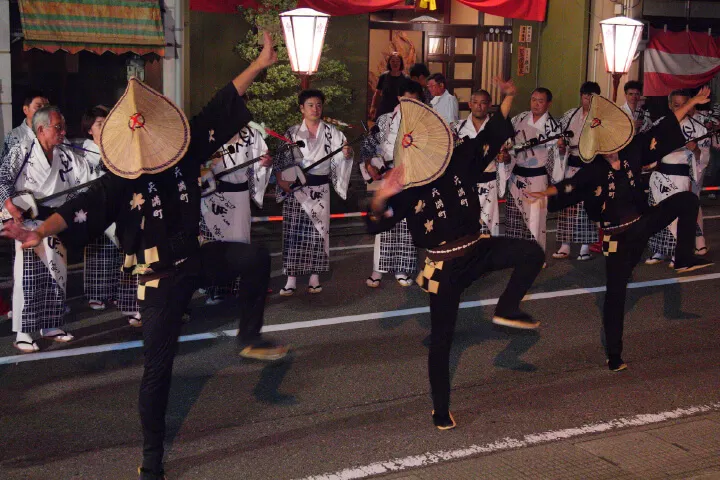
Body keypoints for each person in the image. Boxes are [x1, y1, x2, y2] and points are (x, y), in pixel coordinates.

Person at [1, 32, 288, 479]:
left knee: (256, 260)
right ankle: (152, 457)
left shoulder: (181, 153)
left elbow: (219, 107)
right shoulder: (119, 178)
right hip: (158, 278)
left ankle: (249, 336)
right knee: (158, 370)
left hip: (195, 257)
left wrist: (259, 63)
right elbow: (81, 207)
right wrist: (39, 231)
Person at [366, 79, 545, 431]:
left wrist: (508, 96)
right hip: (442, 267)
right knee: (442, 340)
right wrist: (380, 196)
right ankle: (440, 409)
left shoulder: (459, 159)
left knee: (531, 252)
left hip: (477, 248)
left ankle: (507, 307)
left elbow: (491, 136)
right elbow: (375, 226)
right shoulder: (406, 185)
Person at [529, 88, 713, 372]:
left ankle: (684, 257)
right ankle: (614, 355)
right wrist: (544, 194)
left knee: (688, 200)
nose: (610, 146)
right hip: (617, 239)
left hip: (642, 223)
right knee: (615, 296)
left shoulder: (633, 151)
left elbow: (665, 127)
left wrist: (691, 103)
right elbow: (569, 187)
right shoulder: (593, 172)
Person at [0, 106, 97, 352]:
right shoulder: (21, 151)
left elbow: (87, 180)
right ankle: (23, 331)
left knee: (57, 272)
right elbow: (2, 179)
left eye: (63, 127)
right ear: (41, 128)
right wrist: (10, 206)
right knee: (29, 276)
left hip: (56, 220)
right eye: (58, 127)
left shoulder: (66, 155)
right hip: (26, 221)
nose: (63, 132)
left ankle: (51, 325)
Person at [275, 89, 354, 296]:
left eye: (319, 105)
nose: (315, 109)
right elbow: (281, 164)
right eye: (310, 105)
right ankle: (291, 278)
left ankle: (314, 276)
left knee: (319, 233)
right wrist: (284, 183)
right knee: (294, 233)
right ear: (301, 108)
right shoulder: (291, 133)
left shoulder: (332, 132)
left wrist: (347, 153)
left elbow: (343, 156)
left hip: (320, 188)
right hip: (297, 189)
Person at [77, 106, 141, 325]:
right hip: (96, 204)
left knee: (120, 251)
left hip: (118, 202)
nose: (103, 127)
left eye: (106, 123)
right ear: (88, 130)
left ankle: (118, 293)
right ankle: (97, 293)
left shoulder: (115, 146)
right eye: (99, 124)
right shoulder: (85, 151)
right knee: (99, 251)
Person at [199, 125, 273, 304]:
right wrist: (206, 167)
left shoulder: (251, 134)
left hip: (239, 194)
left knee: (239, 241)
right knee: (215, 242)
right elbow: (199, 162)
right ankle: (215, 288)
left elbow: (263, 159)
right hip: (214, 194)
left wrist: (265, 163)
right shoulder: (209, 132)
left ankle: (240, 286)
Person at [361, 80, 422, 288]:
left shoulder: (423, 122)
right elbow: (369, 145)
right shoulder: (385, 120)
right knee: (384, 222)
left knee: (406, 224)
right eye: (406, 99)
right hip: (388, 176)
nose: (410, 103)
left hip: (412, 177)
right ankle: (378, 269)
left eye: (415, 100)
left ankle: (402, 269)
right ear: (398, 98)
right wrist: (369, 164)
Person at [646, 89, 712, 265]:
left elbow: (704, 157)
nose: (681, 108)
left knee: (676, 217)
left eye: (684, 104)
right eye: (676, 105)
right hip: (659, 175)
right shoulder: (660, 123)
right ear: (669, 105)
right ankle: (658, 250)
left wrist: (695, 149)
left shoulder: (698, 128)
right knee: (656, 213)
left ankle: (678, 253)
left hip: (680, 177)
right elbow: (649, 147)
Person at [503, 87, 563, 253]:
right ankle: (514, 254)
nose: (536, 104)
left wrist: (561, 150)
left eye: (541, 101)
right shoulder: (520, 118)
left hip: (537, 177)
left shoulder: (553, 127)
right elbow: (508, 141)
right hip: (517, 175)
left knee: (535, 219)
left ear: (548, 103)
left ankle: (536, 256)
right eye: (533, 100)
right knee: (514, 216)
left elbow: (557, 155)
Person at [553, 81, 602, 261]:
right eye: (586, 95)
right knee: (568, 205)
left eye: (592, 96)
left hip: (590, 165)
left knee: (587, 206)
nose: (588, 99)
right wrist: (560, 144)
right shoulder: (569, 115)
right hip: (571, 163)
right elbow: (560, 136)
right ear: (581, 96)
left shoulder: (601, 119)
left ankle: (585, 246)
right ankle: (565, 244)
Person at [452, 89, 506, 236]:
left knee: (489, 226)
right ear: (469, 104)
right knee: (465, 226)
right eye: (475, 102)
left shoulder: (497, 129)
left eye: (483, 103)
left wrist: (504, 158)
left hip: (489, 182)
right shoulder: (457, 128)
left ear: (489, 105)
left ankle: (489, 258)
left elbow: (508, 152)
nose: (479, 106)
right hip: (465, 184)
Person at [1, 89, 49, 166]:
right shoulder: (14, 136)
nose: (44, 110)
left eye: (46, 107)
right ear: (25, 110)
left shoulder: (54, 133)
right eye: (38, 106)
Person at [370, 52, 409, 120]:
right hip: (384, 110)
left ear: (401, 63)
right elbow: (377, 93)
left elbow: (409, 96)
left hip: (399, 112)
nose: (395, 63)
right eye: (393, 61)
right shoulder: (384, 76)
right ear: (389, 63)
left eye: (397, 61)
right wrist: (373, 106)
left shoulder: (406, 78)